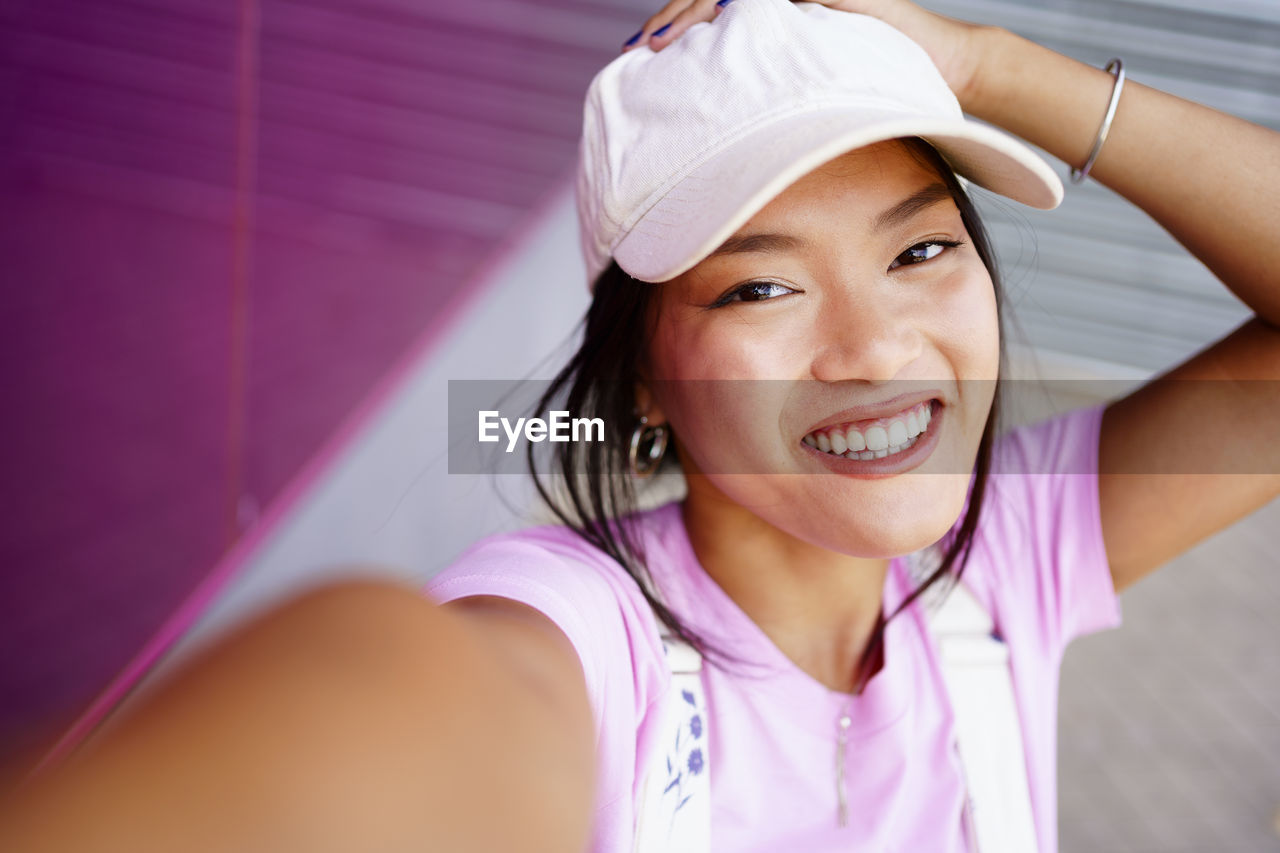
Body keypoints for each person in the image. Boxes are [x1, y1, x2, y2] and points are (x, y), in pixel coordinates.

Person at [1, 1, 1276, 851]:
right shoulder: (584, 638)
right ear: (648, 379)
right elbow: (414, 694)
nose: (878, 350)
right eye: (760, 285)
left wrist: (990, 67)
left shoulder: (1001, 563)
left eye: (920, 249)